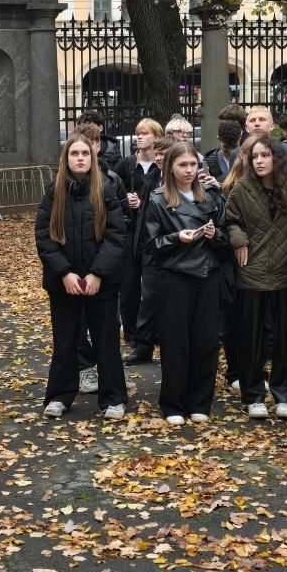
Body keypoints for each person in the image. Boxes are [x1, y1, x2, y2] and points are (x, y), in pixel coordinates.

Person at [36, 133, 128, 420]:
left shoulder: (106, 189)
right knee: (66, 340)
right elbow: (44, 236)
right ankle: (60, 395)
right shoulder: (54, 191)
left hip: (100, 281)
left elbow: (115, 236)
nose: (80, 158)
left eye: (85, 154)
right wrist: (64, 273)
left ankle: (113, 397)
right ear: (66, 158)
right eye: (74, 153)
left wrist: (97, 274)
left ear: (93, 157)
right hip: (64, 282)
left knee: (106, 340)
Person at [144, 141, 228, 426]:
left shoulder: (212, 197)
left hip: (207, 274)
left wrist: (215, 235)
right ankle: (173, 402)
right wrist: (176, 238)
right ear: (170, 167)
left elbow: (227, 237)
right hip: (175, 276)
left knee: (205, 341)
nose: (189, 170)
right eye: (183, 165)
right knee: (175, 341)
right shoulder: (158, 199)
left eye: (193, 164)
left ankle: (200, 401)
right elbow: (150, 245)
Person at [225, 136, 287, 420]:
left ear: (277, 159)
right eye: (254, 156)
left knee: (285, 338)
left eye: (265, 156)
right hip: (252, 272)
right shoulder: (242, 189)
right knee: (252, 339)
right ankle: (254, 394)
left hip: (286, 271)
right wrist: (238, 239)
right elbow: (231, 219)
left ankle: (283, 394)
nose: (258, 161)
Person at [113, 117, 164, 357]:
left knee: (152, 287)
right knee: (129, 284)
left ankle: (151, 333)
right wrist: (127, 202)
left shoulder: (162, 166)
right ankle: (132, 332)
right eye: (137, 133)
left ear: (156, 137)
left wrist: (144, 204)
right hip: (129, 231)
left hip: (152, 233)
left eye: (144, 133)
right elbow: (113, 195)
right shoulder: (126, 164)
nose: (139, 137)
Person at [129, 135, 178, 366]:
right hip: (150, 248)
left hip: (175, 249)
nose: (159, 158)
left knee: (172, 301)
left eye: (163, 154)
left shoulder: (182, 180)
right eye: (157, 153)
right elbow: (143, 214)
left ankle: (172, 346)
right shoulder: (151, 178)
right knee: (147, 299)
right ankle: (143, 346)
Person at [240, 106, 287, 177]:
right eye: (252, 120)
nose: (257, 123)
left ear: (272, 126)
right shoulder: (237, 153)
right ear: (246, 127)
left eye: (262, 119)